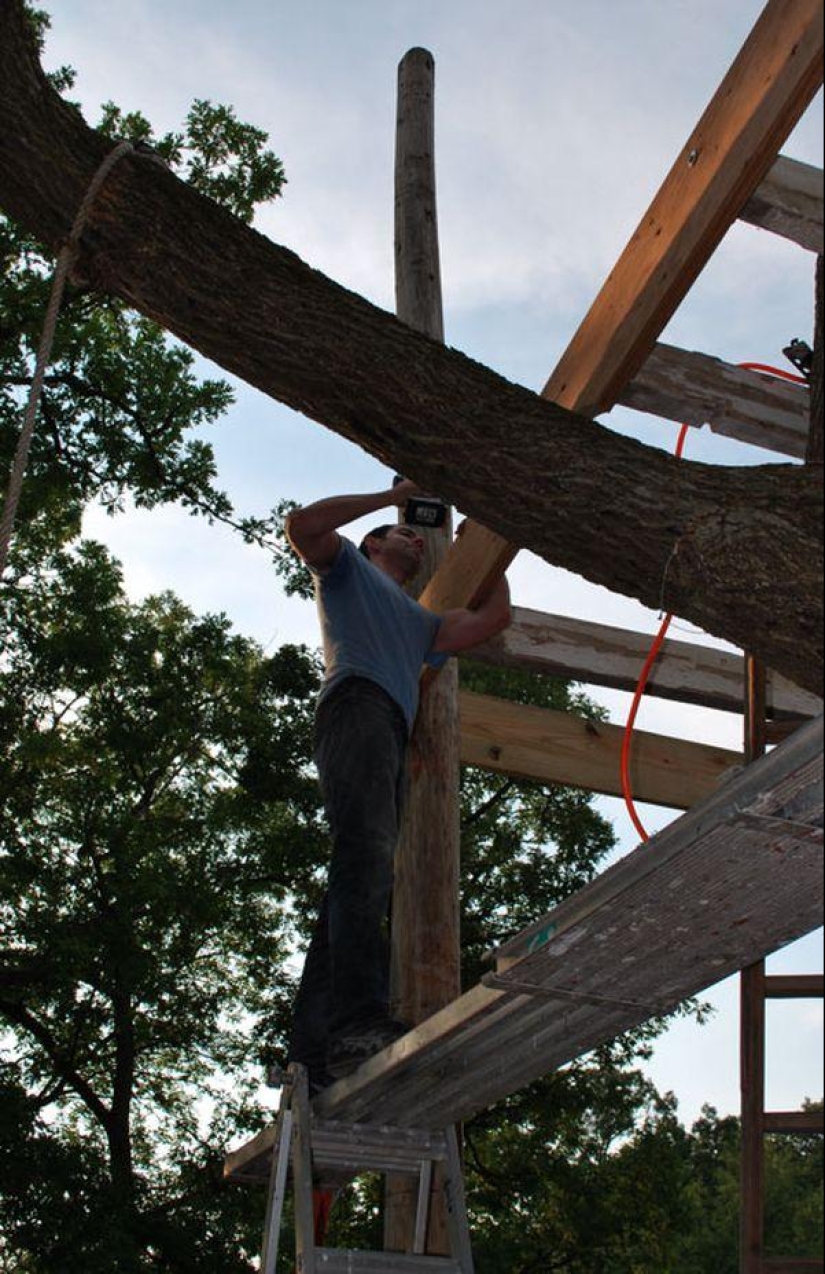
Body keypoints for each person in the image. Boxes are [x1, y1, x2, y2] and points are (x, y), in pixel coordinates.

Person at [285, 480, 511, 1094]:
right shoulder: (348, 571)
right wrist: (392, 499)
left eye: (418, 535)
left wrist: (489, 542)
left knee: (361, 870)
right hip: (355, 704)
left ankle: (314, 1052)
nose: (415, 540)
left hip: (388, 724)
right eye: (404, 533)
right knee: (365, 858)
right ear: (372, 544)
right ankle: (357, 1022)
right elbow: (302, 525)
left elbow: (493, 619)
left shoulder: (421, 622)